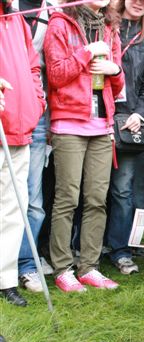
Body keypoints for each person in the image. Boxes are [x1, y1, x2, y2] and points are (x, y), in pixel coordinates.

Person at [44, 0, 124, 292]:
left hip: (101, 126)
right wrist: (87, 52)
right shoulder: (60, 22)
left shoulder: (109, 26)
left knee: (97, 199)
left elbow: (116, 85)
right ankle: (63, 268)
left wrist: (115, 70)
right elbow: (56, 74)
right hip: (69, 123)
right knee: (67, 199)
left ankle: (89, 267)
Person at [105, 0, 144, 275]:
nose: (140, 2)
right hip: (97, 117)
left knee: (122, 189)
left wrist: (140, 114)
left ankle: (120, 251)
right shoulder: (106, 23)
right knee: (89, 189)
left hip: (128, 123)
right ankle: (80, 249)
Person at [0, 0, 46, 307]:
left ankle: (5, 280)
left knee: (13, 208)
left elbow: (32, 65)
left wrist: (36, 100)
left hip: (21, 126)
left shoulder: (15, 17)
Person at [12, 0, 52, 294]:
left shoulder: (51, 12)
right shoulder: (8, 10)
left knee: (33, 202)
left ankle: (26, 266)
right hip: (5, 114)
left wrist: (39, 104)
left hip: (32, 118)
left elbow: (37, 67)